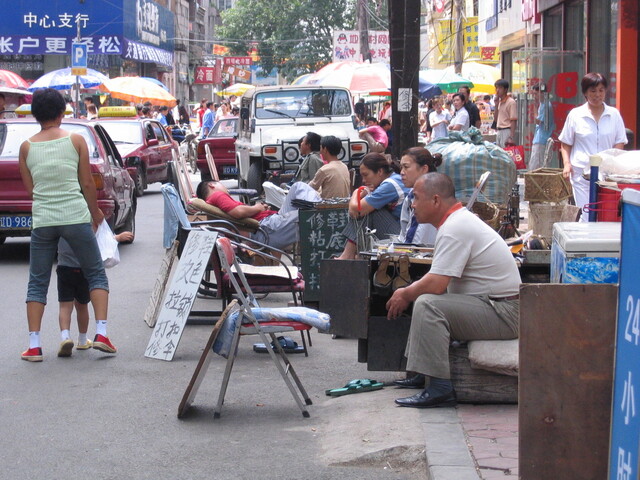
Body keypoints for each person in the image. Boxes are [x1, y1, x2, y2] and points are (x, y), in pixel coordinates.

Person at [387, 173, 520, 408]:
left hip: (504, 313)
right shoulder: (456, 222)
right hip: (493, 306)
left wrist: (405, 294)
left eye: (416, 198)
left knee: (428, 304)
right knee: (428, 299)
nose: (413, 205)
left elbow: (437, 283)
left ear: (436, 200)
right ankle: (423, 373)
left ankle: (440, 388)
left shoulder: (455, 226)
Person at [17, 88, 116, 362]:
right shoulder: (76, 140)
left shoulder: (26, 147)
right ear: (62, 113)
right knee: (95, 273)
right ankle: (102, 334)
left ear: (35, 114)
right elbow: (86, 183)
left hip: (44, 221)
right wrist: (96, 214)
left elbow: (31, 190)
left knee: (37, 282)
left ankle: (34, 346)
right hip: (75, 217)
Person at [559, 72, 627, 221]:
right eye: (593, 91)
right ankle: (586, 242)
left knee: (605, 213)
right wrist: (567, 164)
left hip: (607, 175)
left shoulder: (614, 115)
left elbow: (620, 141)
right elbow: (566, 143)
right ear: (585, 92)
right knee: (587, 213)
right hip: (581, 173)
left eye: (601, 90)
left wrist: (613, 163)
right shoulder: (576, 115)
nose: (597, 95)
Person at [56, 231, 133, 356]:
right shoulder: (83, 223)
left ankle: (65, 338)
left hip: (64, 268)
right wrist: (117, 238)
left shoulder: (61, 225)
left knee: (65, 306)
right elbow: (98, 240)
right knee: (82, 305)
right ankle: (82, 340)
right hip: (84, 269)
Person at [196, 180, 320, 250]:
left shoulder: (214, 199)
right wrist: (257, 207)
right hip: (267, 229)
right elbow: (238, 213)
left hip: (271, 222)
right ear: (212, 185)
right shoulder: (217, 195)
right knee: (309, 215)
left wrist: (258, 209)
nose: (225, 188)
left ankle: (320, 206)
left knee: (298, 187)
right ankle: (323, 210)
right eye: (221, 184)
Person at [335, 153, 410, 260]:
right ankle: (351, 254)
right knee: (368, 207)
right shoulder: (393, 180)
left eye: (366, 175)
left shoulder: (390, 185)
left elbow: (355, 211)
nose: (364, 181)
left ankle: (347, 255)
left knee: (368, 211)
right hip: (400, 231)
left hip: (402, 237)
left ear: (379, 172)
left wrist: (357, 191)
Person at [397, 147, 441, 246]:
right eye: (401, 168)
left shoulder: (430, 196)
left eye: (406, 167)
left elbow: (417, 241)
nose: (402, 172)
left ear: (424, 169)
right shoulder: (411, 195)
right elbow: (404, 234)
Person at [529, 83, 555, 171]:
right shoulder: (543, 104)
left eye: (536, 94)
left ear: (542, 93)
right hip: (539, 138)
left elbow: (538, 121)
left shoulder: (546, 105)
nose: (535, 96)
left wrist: (535, 108)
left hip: (542, 139)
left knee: (537, 166)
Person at [494, 79, 517, 148]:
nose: (497, 90)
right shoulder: (499, 102)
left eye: (500, 88)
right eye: (496, 88)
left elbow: (513, 120)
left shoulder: (511, 102)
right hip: (499, 131)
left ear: (505, 89)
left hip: (506, 130)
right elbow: (496, 119)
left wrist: (511, 137)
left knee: (506, 154)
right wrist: (496, 105)